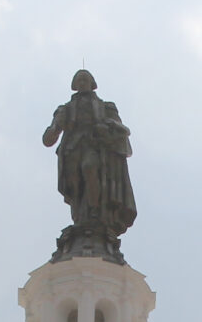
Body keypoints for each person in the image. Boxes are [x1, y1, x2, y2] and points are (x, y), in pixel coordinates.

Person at [42, 69, 136, 259]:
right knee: (75, 185)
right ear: (74, 85)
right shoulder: (66, 108)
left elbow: (121, 129)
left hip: (94, 148)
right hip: (72, 149)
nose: (82, 82)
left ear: (92, 83)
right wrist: (53, 131)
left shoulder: (105, 106)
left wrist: (107, 127)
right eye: (79, 79)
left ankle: (94, 213)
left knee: (90, 169)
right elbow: (53, 131)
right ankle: (80, 217)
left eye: (85, 79)